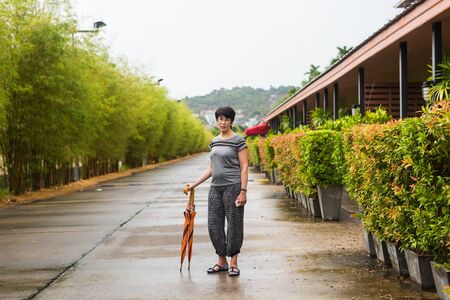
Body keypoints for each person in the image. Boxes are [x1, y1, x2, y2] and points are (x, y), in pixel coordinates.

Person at [184, 106, 248, 277]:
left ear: (231, 121)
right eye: (220, 119)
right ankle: (222, 261)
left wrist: (243, 191)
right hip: (215, 188)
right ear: (217, 120)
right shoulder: (214, 141)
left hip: (233, 187)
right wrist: (194, 184)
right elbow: (211, 168)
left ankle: (233, 263)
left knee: (234, 224)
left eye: (226, 119)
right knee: (214, 224)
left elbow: (244, 167)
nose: (223, 122)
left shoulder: (238, 141)